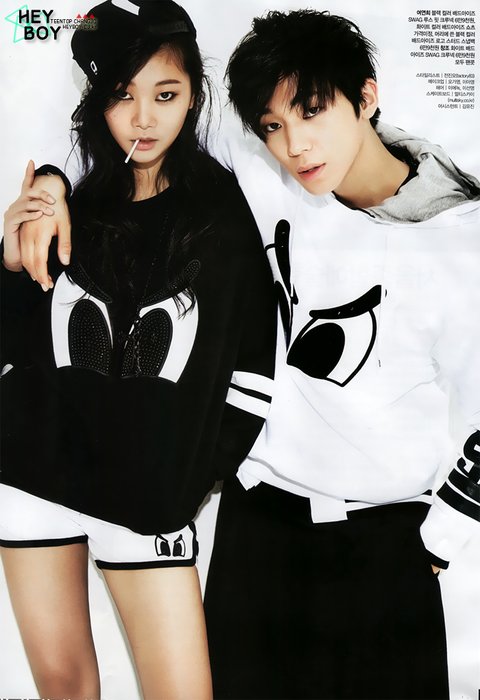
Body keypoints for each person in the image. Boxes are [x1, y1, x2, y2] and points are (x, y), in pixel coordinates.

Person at [12, 7, 480, 700]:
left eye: (312, 112)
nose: (295, 145)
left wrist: (435, 547)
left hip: (383, 542)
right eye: (272, 125)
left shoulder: (458, 241)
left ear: (368, 97)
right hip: (255, 530)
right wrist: (50, 181)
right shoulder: (260, 171)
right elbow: (130, 124)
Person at [0, 1, 275, 699]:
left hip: (150, 497)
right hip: (35, 477)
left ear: (195, 96)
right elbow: (16, 336)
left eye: (166, 94)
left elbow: (252, 368)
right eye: (123, 95)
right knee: (65, 688)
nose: (144, 119)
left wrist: (189, 479)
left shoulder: (223, 212)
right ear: (98, 102)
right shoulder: (76, 205)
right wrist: (10, 258)